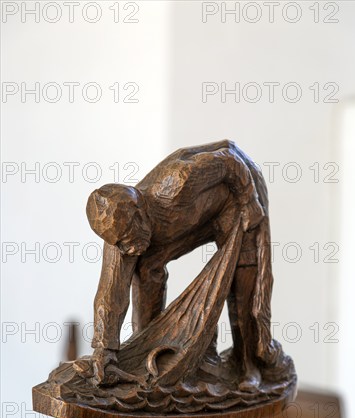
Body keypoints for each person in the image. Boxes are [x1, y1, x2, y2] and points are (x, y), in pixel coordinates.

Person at [86, 140, 278, 385]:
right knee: (144, 271)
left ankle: (248, 364)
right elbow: (110, 294)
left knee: (243, 283)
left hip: (235, 196)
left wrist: (249, 200)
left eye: (128, 237)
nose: (127, 247)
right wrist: (105, 350)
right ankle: (148, 355)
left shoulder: (175, 183)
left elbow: (230, 159)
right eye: (120, 243)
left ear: (138, 210)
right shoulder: (120, 238)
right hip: (190, 223)